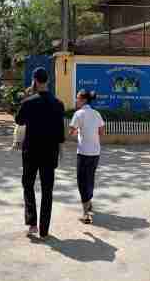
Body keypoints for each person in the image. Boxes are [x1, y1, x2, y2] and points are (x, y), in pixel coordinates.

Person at [16, 68, 65, 239]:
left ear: (35, 80)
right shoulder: (58, 104)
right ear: (48, 81)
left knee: (28, 185)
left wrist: (26, 98)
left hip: (31, 150)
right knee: (47, 190)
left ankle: (32, 224)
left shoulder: (29, 102)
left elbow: (19, 120)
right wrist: (61, 151)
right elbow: (60, 132)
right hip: (50, 152)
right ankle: (44, 230)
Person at [69, 90, 105, 224]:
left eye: (78, 98)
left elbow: (71, 132)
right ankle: (88, 202)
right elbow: (101, 132)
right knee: (90, 178)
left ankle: (85, 214)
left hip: (83, 152)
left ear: (84, 100)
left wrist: (78, 132)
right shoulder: (97, 113)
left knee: (82, 181)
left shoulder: (78, 114)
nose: (76, 100)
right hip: (95, 152)